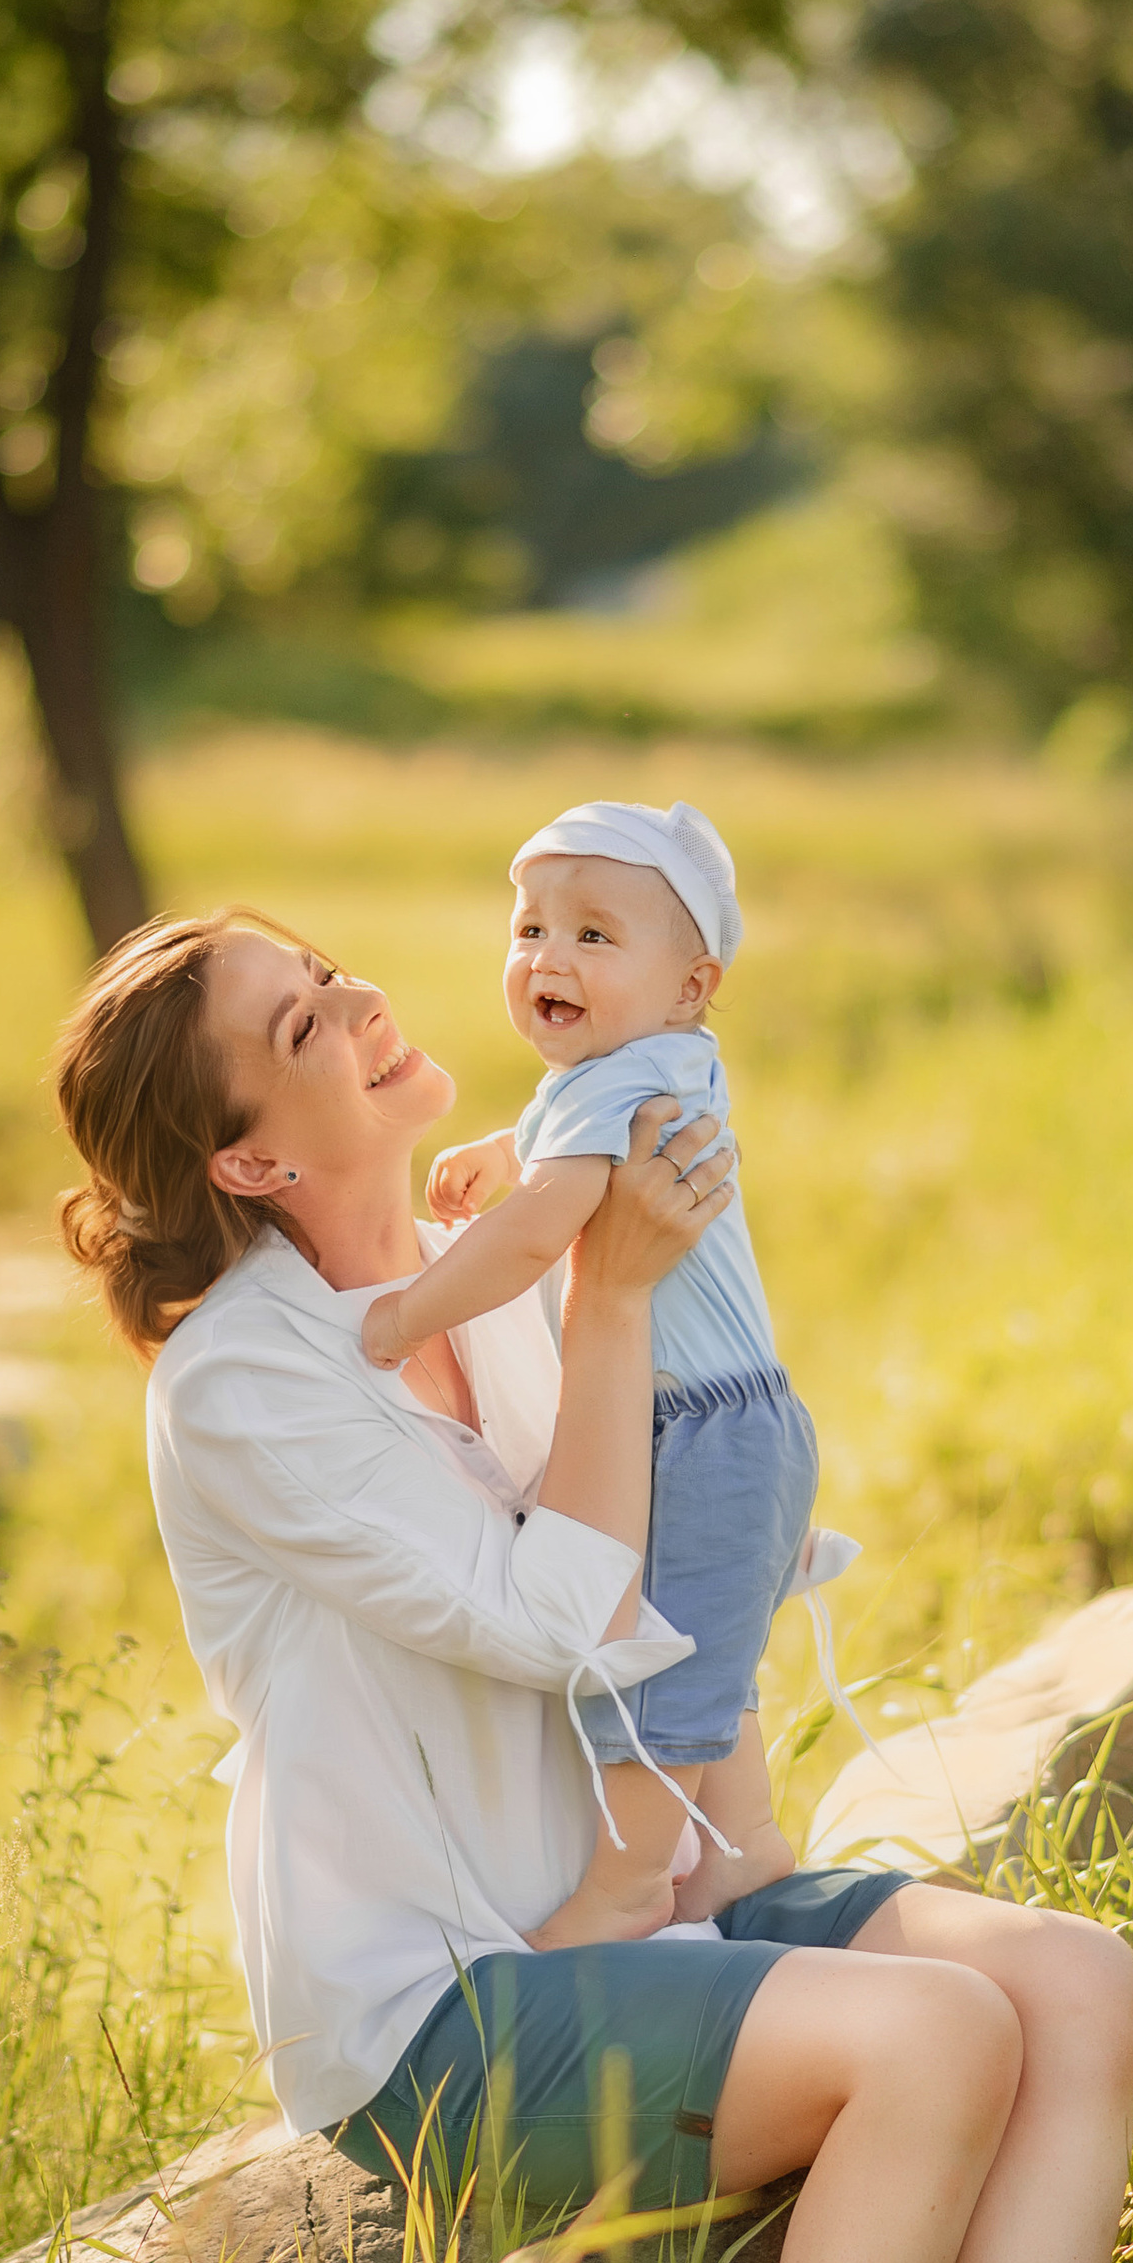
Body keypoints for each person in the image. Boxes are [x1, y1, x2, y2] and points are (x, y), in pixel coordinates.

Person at [52, 903, 1133, 2263]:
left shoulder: (506, 1271)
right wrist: (618, 1290)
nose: (369, 999)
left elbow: (695, 1594)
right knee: (940, 2038)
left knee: (1075, 1975)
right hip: (453, 1994)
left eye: (334, 972)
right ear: (249, 1156)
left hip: (644, 1909)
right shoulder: (244, 1382)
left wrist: (746, 1856)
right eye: (308, 1018)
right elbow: (564, 1608)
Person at [355, 797, 826, 1945]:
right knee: (705, 1634)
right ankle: (744, 1849)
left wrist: (401, 1313)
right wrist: (502, 1149)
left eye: (593, 937)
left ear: (690, 985)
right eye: (528, 932)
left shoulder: (612, 1085)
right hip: (733, 1418)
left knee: (648, 1656)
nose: (546, 959)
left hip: (696, 1426)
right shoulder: (648, 1064)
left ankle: (628, 1881)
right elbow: (568, 1144)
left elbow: (534, 1235)